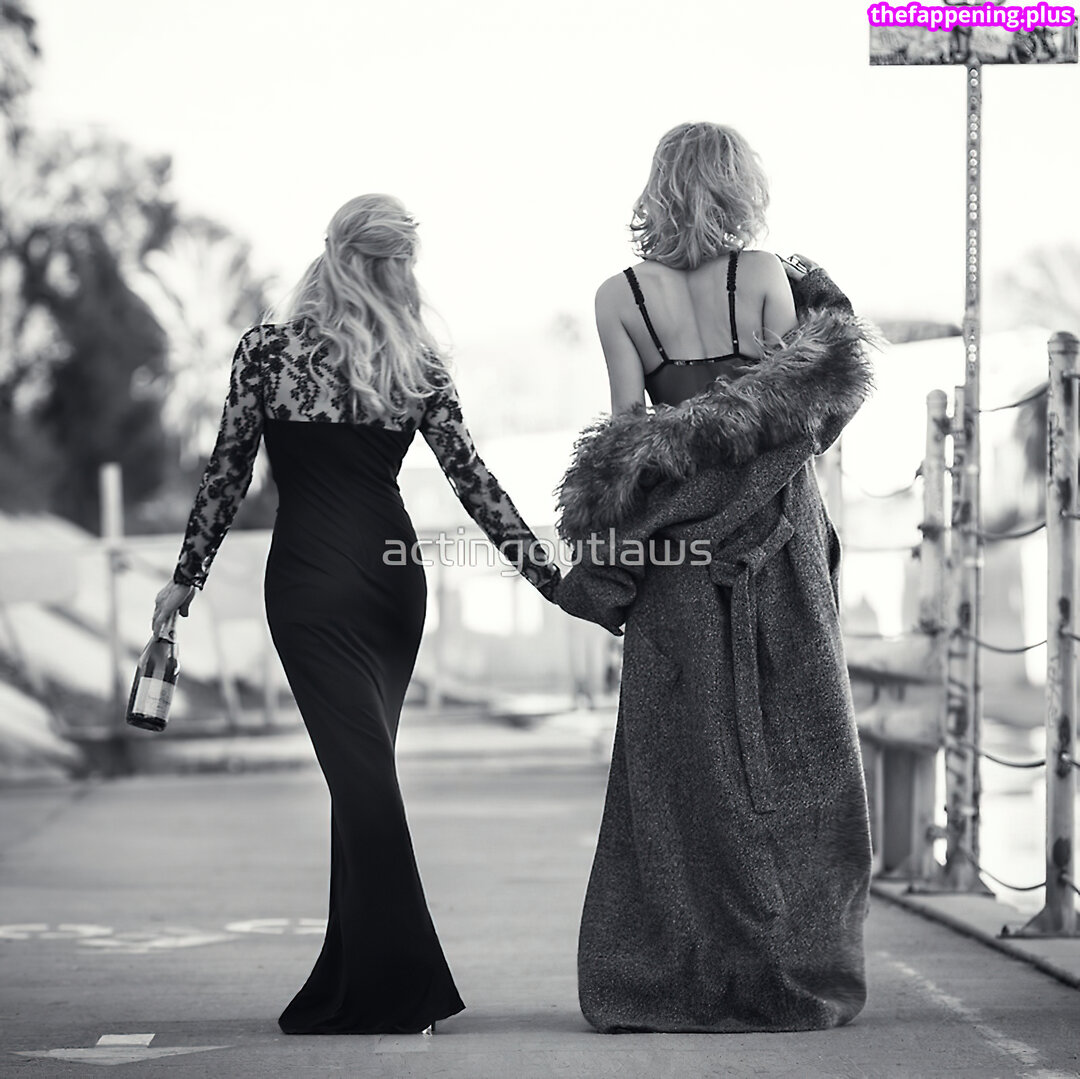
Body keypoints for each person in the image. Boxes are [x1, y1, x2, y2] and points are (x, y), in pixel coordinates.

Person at [151, 193, 561, 1035]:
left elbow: (227, 472)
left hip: (310, 582)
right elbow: (475, 484)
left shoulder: (267, 352)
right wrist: (551, 579)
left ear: (331, 254)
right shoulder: (415, 362)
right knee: (360, 774)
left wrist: (185, 577)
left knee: (359, 777)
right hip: (390, 581)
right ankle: (353, 982)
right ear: (395, 266)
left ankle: (400, 988)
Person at [551, 122, 877, 1034]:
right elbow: (796, 416)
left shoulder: (618, 297)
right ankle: (787, 961)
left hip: (675, 557)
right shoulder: (765, 274)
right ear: (738, 187)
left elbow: (627, 442)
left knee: (675, 764)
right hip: (778, 537)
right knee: (804, 751)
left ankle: (667, 972)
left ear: (658, 189)